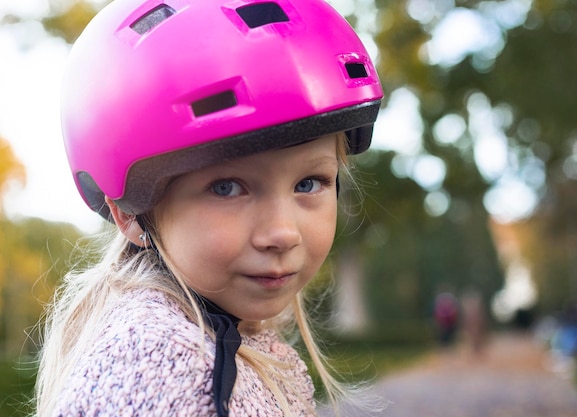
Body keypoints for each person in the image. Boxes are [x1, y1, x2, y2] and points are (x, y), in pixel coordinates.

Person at [34, 0, 383, 415]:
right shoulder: (159, 366)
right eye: (227, 188)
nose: (283, 233)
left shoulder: (223, 340)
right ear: (129, 212)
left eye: (308, 184)